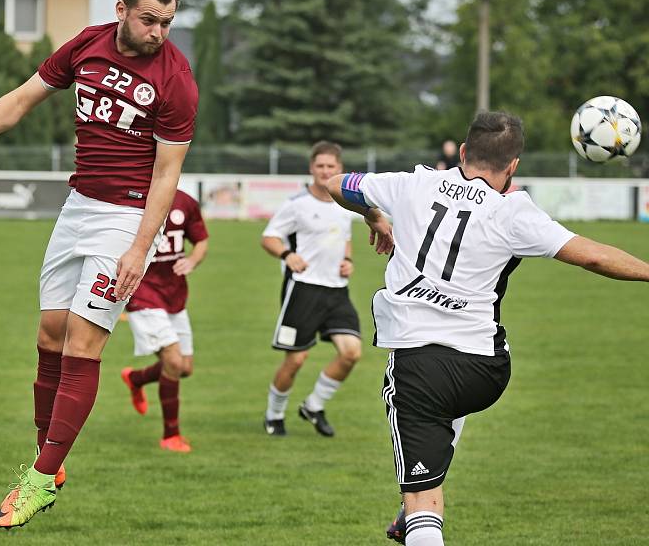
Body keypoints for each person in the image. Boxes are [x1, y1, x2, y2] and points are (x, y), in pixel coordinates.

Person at [0, 0, 198, 530]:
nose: (158, 32)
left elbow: (166, 178)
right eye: (150, 19)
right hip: (77, 208)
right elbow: (24, 97)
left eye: (168, 21)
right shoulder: (87, 45)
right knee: (49, 335)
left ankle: (36, 480)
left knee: (83, 345)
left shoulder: (176, 80)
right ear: (121, 10)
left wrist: (138, 248)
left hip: (126, 220)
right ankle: (47, 465)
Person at [327, 111, 649, 546]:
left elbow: (338, 185)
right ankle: (414, 506)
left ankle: (417, 511)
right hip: (487, 368)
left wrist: (372, 216)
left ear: (462, 152)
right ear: (512, 165)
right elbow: (591, 255)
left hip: (420, 366)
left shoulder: (414, 184)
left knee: (423, 499)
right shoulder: (514, 210)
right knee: (444, 412)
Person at [261, 141, 361, 438]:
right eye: (320, 166)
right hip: (303, 290)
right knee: (295, 360)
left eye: (331, 166)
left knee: (351, 353)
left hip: (336, 291)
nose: (325, 171)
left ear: (340, 170)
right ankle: (273, 415)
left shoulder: (346, 205)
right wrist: (286, 255)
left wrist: (348, 260)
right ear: (311, 168)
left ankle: (314, 406)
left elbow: (344, 238)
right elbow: (269, 237)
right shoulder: (296, 204)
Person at [121, 188, 208, 453]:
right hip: (142, 290)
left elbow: (201, 240)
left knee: (185, 368)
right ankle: (171, 435)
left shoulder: (185, 201)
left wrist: (192, 260)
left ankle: (136, 379)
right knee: (172, 361)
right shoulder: (130, 199)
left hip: (175, 293)